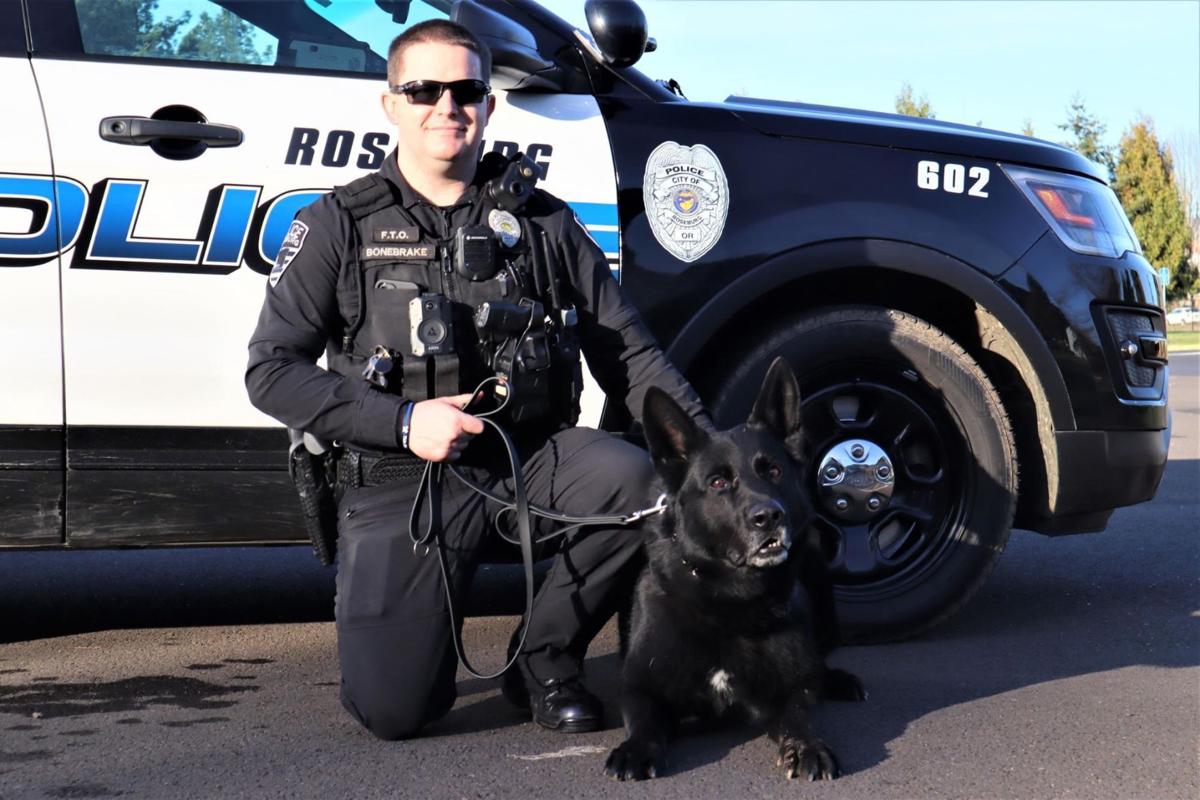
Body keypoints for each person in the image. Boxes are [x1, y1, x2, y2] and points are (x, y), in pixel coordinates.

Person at [246, 19, 707, 741]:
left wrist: (712, 459)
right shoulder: (339, 225)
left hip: (530, 455)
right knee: (394, 713)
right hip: (402, 473)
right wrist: (402, 422)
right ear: (391, 104)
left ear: (489, 105)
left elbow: (629, 352)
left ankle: (545, 657)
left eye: (466, 89)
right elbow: (271, 371)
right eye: (424, 89)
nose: (447, 106)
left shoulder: (543, 223)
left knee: (642, 483)